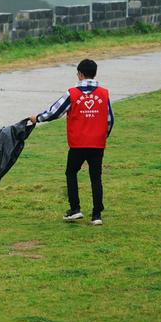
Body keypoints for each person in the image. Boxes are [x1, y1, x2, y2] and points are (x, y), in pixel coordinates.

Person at [29, 59, 114, 226]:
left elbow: (55, 112)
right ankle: (97, 215)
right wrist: (103, 136)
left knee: (71, 172)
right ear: (95, 73)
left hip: (78, 143)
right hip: (97, 143)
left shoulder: (72, 93)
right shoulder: (104, 94)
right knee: (96, 177)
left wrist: (37, 118)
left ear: (80, 74)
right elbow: (110, 119)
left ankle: (75, 209)